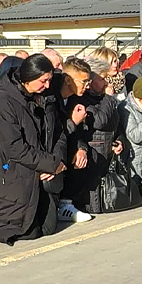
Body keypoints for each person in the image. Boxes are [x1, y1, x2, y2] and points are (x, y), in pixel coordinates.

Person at [0, 54, 68, 244]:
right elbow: (15, 148)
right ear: (27, 78)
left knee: (48, 228)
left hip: (43, 166)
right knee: (29, 230)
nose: (47, 85)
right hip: (14, 170)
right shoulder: (5, 104)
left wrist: (57, 161)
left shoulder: (47, 98)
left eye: (50, 80)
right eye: (43, 81)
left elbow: (58, 132)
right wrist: (49, 164)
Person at [76, 56, 124, 212]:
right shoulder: (84, 99)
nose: (106, 83)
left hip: (107, 147)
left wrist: (119, 140)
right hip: (94, 149)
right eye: (102, 78)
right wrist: (109, 98)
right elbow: (100, 121)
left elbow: (116, 122)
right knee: (92, 189)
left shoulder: (102, 98)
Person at [56, 59, 95, 223]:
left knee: (83, 156)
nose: (87, 86)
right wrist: (73, 122)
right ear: (68, 80)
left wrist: (81, 149)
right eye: (84, 81)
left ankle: (68, 202)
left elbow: (77, 133)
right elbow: (55, 133)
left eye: (89, 81)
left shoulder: (76, 99)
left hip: (70, 142)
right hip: (54, 149)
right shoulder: (53, 98)